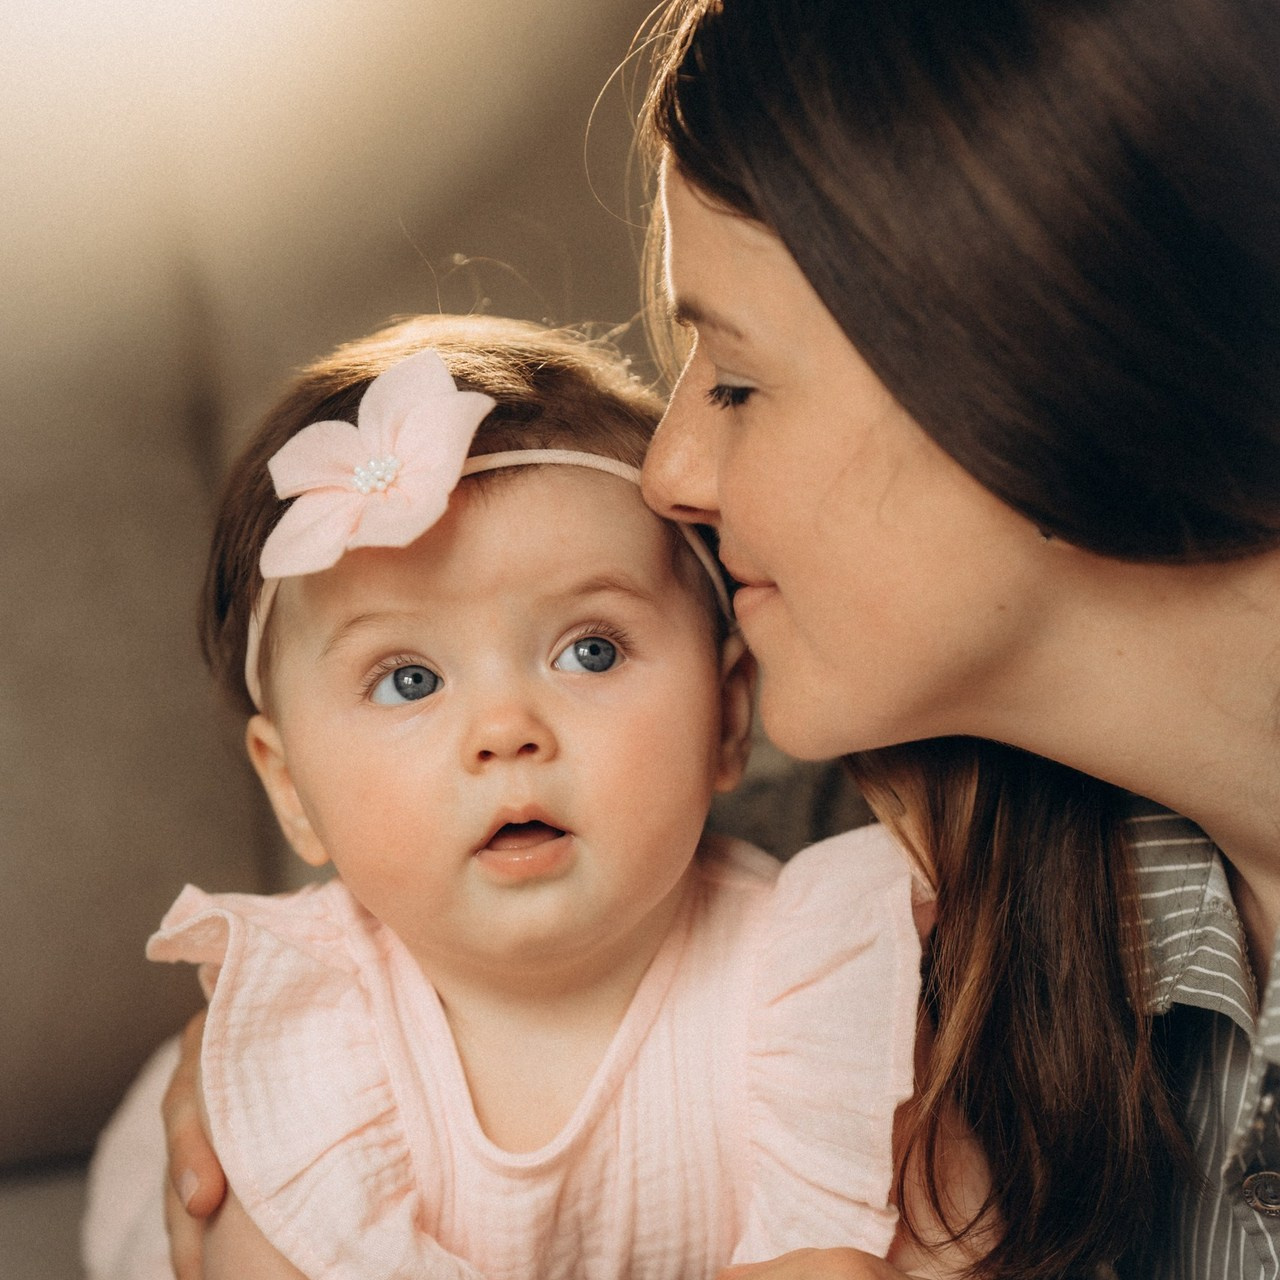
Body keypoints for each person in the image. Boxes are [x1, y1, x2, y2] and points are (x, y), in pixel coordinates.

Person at [162, 0, 1280, 1274]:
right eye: (411, 675)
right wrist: (278, 1067)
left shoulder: (826, 937)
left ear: (1062, 367)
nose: (670, 472)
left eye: (736, 380)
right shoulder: (910, 836)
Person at [83, 314, 930, 1280]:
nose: (506, 729)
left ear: (730, 715)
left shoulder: (815, 979)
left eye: (590, 651)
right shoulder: (305, 1051)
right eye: (408, 680)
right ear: (292, 790)